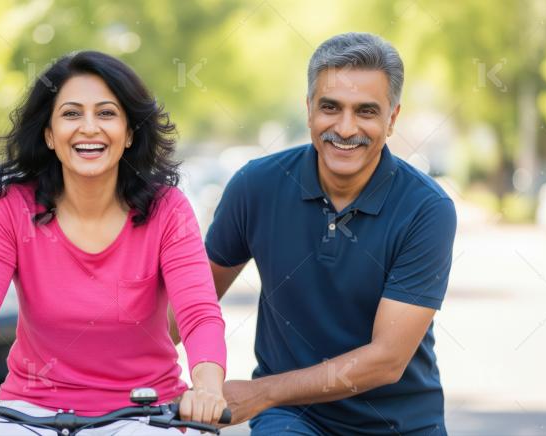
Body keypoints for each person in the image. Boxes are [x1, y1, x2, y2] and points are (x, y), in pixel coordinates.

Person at [0, 50, 228, 435]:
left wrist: (208, 391)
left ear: (130, 133)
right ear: (49, 133)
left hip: (144, 414)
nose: (89, 127)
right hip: (30, 415)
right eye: (71, 113)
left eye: (107, 113)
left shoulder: (168, 210)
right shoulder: (12, 208)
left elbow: (198, 314)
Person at [176, 32, 457, 435]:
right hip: (293, 419)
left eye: (366, 111)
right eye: (330, 107)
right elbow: (189, 307)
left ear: (392, 119)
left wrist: (263, 392)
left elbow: (387, 359)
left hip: (401, 424)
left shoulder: (426, 208)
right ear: (309, 110)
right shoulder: (256, 187)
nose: (345, 128)